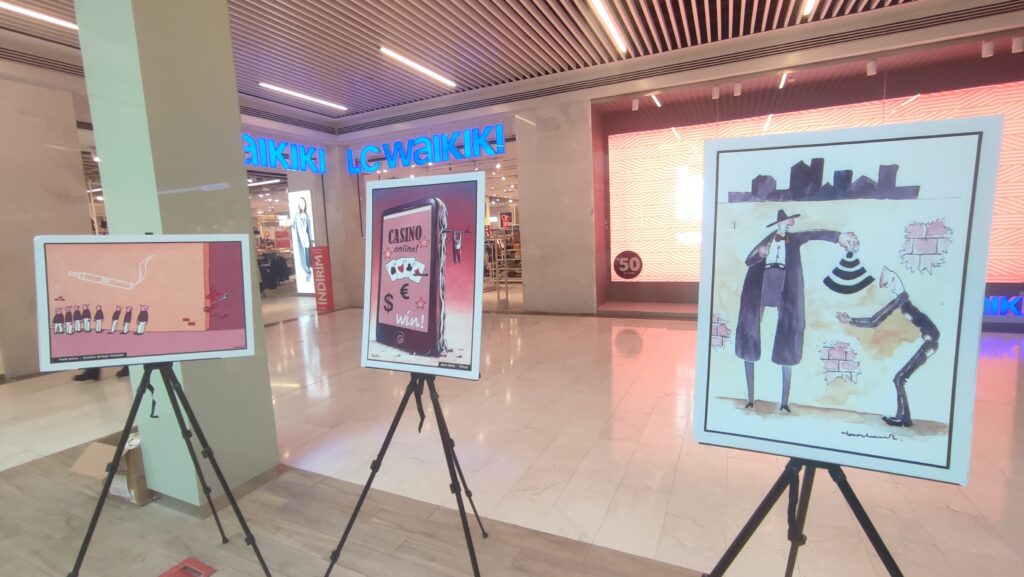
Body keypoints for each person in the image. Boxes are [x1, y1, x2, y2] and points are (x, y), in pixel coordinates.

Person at [735, 209, 858, 412]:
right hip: (761, 285)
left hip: (785, 285)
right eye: (785, 222)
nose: (788, 224)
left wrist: (839, 237)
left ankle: (784, 403)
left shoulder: (794, 239)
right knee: (750, 334)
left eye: (789, 222)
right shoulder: (767, 240)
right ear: (778, 224)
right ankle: (750, 399)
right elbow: (749, 261)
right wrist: (760, 254)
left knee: (788, 336)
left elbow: (814, 234)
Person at [837, 267, 938, 427]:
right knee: (900, 378)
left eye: (889, 284)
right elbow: (874, 321)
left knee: (899, 378)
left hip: (930, 343)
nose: (888, 288)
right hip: (929, 342)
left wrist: (851, 321)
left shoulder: (902, 301)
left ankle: (903, 418)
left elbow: (874, 321)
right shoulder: (901, 301)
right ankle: (904, 418)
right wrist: (851, 320)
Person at [292, 196, 314, 283]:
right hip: (300, 240)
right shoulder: (296, 215)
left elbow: (309, 229)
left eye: (303, 202)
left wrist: (311, 240)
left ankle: (309, 273)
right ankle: (308, 273)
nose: (302, 204)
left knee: (308, 259)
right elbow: (293, 225)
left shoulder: (307, 215)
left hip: (306, 239)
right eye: (300, 202)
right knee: (302, 261)